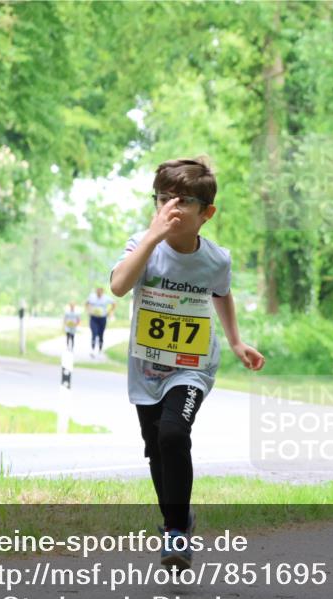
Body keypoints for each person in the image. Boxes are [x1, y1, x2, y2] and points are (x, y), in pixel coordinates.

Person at [110, 158, 265, 570]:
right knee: (156, 449)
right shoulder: (144, 248)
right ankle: (176, 519)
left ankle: (176, 532)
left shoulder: (216, 259)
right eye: (163, 199)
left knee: (174, 434)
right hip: (146, 368)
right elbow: (119, 286)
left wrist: (235, 340)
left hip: (192, 366)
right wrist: (150, 238)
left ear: (206, 214)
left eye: (183, 202)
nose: (171, 210)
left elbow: (222, 292)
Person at [86, 286, 115, 358]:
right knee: (94, 333)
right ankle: (92, 350)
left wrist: (110, 312)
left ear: (102, 292)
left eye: (100, 292)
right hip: (94, 318)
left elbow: (114, 303)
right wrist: (88, 310)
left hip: (102, 318)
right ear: (96, 292)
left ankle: (100, 350)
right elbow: (87, 303)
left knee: (101, 334)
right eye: (97, 292)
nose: (98, 293)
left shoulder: (106, 298)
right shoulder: (92, 296)